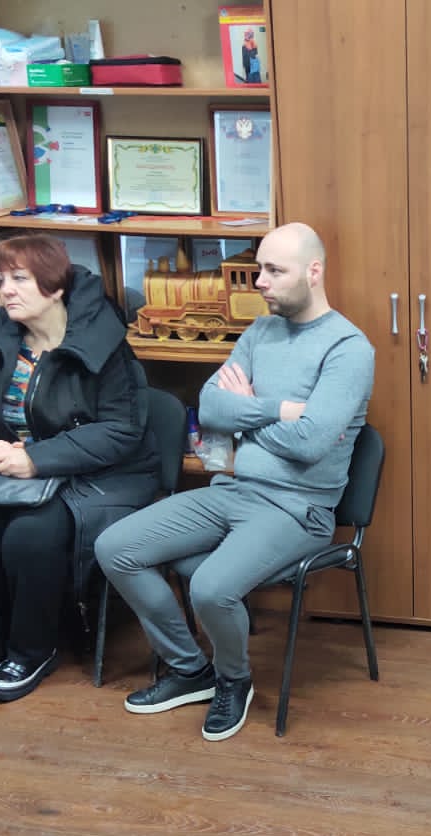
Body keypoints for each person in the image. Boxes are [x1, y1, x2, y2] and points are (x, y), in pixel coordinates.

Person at [96, 223, 374, 742]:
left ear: (313, 272)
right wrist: (280, 410)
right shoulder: (260, 332)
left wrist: (247, 411)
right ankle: (190, 669)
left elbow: (311, 443)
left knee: (211, 587)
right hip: (235, 491)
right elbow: (211, 408)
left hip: (299, 510)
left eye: (274, 271)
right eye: (260, 269)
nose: (260, 281)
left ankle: (233, 679)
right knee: (116, 548)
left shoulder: (348, 349)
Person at [0, 235, 157, 703]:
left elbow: (120, 430)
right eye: (1, 280)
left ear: (55, 287)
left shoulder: (102, 344)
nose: (7, 291)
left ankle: (32, 650)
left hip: (93, 475)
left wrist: (36, 458)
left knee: (29, 536)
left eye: (20, 279)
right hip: (4, 467)